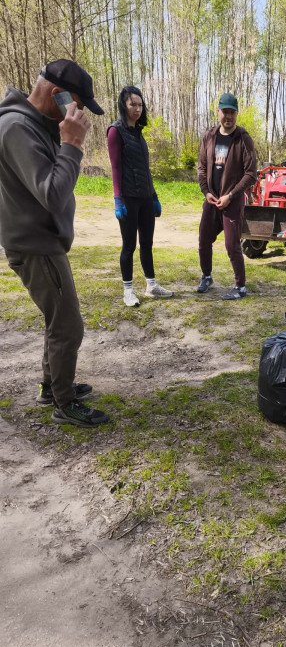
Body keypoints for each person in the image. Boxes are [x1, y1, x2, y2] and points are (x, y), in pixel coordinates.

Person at [0, 59, 109, 428]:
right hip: (36, 245)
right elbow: (53, 193)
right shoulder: (17, 128)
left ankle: (52, 386)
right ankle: (63, 403)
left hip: (42, 240)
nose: (77, 112)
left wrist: (64, 139)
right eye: (76, 102)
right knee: (68, 326)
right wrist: (72, 144)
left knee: (57, 320)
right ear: (56, 93)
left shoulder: (33, 125)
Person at [107, 86, 173, 306]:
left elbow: (145, 168)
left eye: (140, 105)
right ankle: (128, 290)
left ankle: (151, 285)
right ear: (123, 105)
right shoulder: (115, 132)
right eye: (132, 104)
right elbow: (115, 168)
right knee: (129, 246)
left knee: (147, 243)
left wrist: (153, 196)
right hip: (128, 198)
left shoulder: (139, 133)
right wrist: (118, 199)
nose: (137, 109)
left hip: (145, 198)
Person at [196, 92, 257, 300]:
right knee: (204, 239)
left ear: (236, 114)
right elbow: (202, 168)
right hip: (212, 200)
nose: (228, 117)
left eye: (232, 113)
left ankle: (240, 287)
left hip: (232, 201)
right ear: (218, 112)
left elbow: (251, 174)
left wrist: (230, 196)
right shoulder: (209, 136)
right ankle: (206, 276)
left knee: (232, 245)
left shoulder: (243, 139)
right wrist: (206, 193)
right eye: (225, 112)